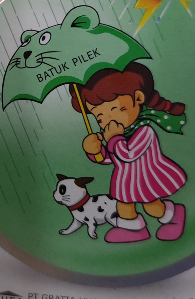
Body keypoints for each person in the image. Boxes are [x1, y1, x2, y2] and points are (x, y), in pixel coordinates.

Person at [73, 62, 187, 244]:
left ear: (138, 98)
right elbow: (110, 159)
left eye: (115, 109)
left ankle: (173, 215)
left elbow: (128, 155)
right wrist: (95, 152)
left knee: (151, 207)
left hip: (145, 179)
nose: (107, 120)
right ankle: (134, 230)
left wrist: (113, 139)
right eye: (99, 117)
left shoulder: (144, 131)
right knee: (124, 207)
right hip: (125, 181)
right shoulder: (118, 134)